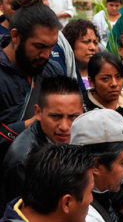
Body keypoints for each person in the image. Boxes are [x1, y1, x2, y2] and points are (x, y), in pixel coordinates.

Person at [1, 75, 82, 206]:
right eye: (56, 116)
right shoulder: (23, 161)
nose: (64, 127)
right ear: (38, 112)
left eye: (72, 117)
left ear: (82, 112)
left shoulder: (85, 134)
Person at [0, 0, 62, 157]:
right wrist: (30, 124)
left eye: (51, 46)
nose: (46, 55)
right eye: (40, 46)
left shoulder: (53, 71)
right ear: (15, 36)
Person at [85, 52, 123, 124]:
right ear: (91, 81)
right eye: (105, 79)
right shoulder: (84, 108)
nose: (114, 84)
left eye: (118, 77)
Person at [62, 19, 99, 92]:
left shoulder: (101, 74)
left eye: (95, 43)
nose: (93, 48)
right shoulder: (63, 76)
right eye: (86, 42)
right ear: (70, 43)